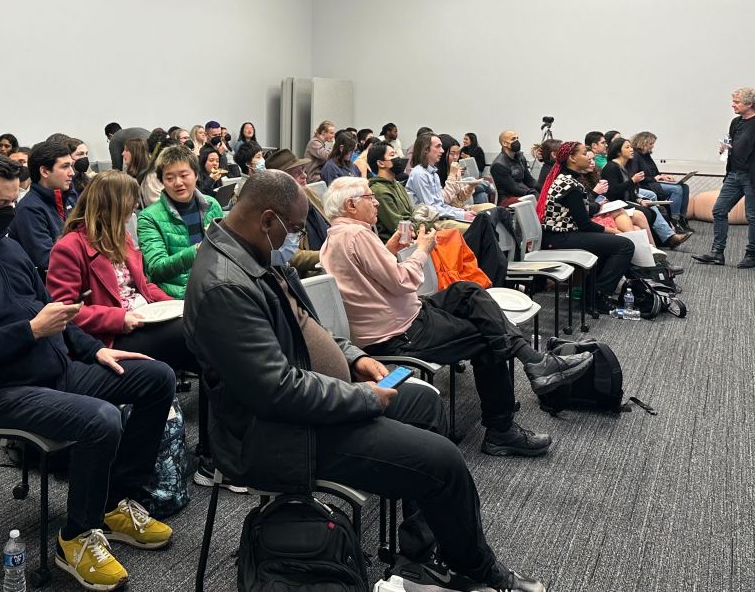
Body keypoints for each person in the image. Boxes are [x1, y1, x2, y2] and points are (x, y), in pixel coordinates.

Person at [184, 170, 548, 592]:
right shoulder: (224, 287)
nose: (297, 239)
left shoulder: (255, 255)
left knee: (426, 404)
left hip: (310, 408)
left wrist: (354, 357)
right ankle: (477, 569)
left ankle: (417, 560)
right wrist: (363, 398)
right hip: (276, 436)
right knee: (443, 463)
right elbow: (277, 391)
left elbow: (309, 327)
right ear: (268, 220)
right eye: (295, 229)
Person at [0, 151, 175, 591]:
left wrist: (93, 352)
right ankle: (74, 538)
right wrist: (29, 332)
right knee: (102, 418)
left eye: (15, 203)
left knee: (155, 377)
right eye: (0, 206)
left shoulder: (7, 247)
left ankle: (112, 502)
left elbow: (55, 313)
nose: (10, 214)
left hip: (53, 370)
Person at [319, 177, 592, 456]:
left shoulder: (335, 238)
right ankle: (503, 428)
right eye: (369, 197)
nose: (375, 201)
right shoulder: (357, 235)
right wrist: (422, 250)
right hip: (401, 332)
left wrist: (390, 251)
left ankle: (534, 363)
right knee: (488, 336)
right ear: (351, 205)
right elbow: (403, 282)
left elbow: (367, 277)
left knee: (465, 290)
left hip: (403, 317)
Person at [46, 172, 195, 370]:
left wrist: (177, 305)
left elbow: (144, 285)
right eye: (131, 201)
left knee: (201, 326)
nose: (134, 207)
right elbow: (63, 312)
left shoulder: (120, 236)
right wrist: (118, 318)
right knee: (193, 335)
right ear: (114, 205)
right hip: (112, 335)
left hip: (143, 318)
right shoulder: (70, 247)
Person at [694, 87, 755, 270]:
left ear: (749, 104)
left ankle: (751, 255)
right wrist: (725, 149)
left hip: (754, 178)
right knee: (718, 211)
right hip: (734, 175)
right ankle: (717, 253)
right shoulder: (735, 122)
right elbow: (732, 143)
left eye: (736, 102)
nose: (732, 105)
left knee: (753, 216)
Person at [538, 142, 635, 305]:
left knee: (612, 245)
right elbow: (585, 225)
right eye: (584, 154)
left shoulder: (567, 179)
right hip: (559, 237)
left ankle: (592, 293)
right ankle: (597, 296)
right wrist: (613, 231)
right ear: (572, 158)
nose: (590, 158)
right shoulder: (570, 185)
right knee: (625, 245)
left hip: (561, 234)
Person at [136, 146, 223, 299]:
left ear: (196, 175)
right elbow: (156, 269)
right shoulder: (149, 217)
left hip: (216, 285)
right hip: (179, 296)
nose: (178, 183)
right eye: (169, 178)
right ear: (162, 181)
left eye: (184, 175)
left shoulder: (211, 205)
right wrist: (198, 250)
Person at [602, 138, 690, 248]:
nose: (631, 149)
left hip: (624, 201)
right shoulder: (611, 167)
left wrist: (639, 199)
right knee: (648, 212)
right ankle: (660, 242)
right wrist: (633, 181)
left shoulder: (622, 167)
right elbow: (613, 191)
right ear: (618, 151)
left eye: (631, 147)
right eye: (627, 147)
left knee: (651, 207)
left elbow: (630, 191)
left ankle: (664, 239)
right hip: (616, 204)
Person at [11, 139, 76, 277]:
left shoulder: (68, 199)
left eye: (71, 166)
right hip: (51, 289)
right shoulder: (29, 210)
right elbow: (47, 260)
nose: (72, 173)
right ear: (45, 171)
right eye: (65, 166)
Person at [406, 133, 477, 225]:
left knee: (482, 219)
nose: (442, 151)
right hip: (430, 221)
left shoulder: (433, 174)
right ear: (426, 150)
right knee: (476, 225)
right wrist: (460, 214)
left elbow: (441, 204)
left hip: (442, 215)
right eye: (438, 147)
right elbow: (432, 209)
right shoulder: (419, 174)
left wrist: (461, 211)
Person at [630, 132, 691, 229]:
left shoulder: (646, 155)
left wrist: (663, 176)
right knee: (677, 189)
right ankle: (674, 219)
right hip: (646, 184)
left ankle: (682, 217)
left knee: (685, 187)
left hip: (653, 182)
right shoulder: (636, 156)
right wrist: (654, 178)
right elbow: (637, 176)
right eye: (651, 144)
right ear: (643, 143)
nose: (653, 146)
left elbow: (654, 172)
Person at [437, 134, 489, 206]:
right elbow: (445, 200)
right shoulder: (435, 172)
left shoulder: (478, 150)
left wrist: (471, 186)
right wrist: (452, 175)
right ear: (443, 153)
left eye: (458, 153)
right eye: (452, 154)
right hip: (447, 210)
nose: (455, 157)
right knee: (476, 185)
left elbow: (461, 197)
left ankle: (486, 185)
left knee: (484, 198)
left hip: (458, 207)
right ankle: (488, 186)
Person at [491, 130, 538, 205]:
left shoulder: (520, 157)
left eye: (517, 138)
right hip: (507, 198)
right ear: (504, 143)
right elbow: (513, 189)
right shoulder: (498, 165)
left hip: (522, 191)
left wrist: (542, 188)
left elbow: (529, 180)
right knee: (535, 199)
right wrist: (531, 193)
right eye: (513, 139)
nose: (516, 141)